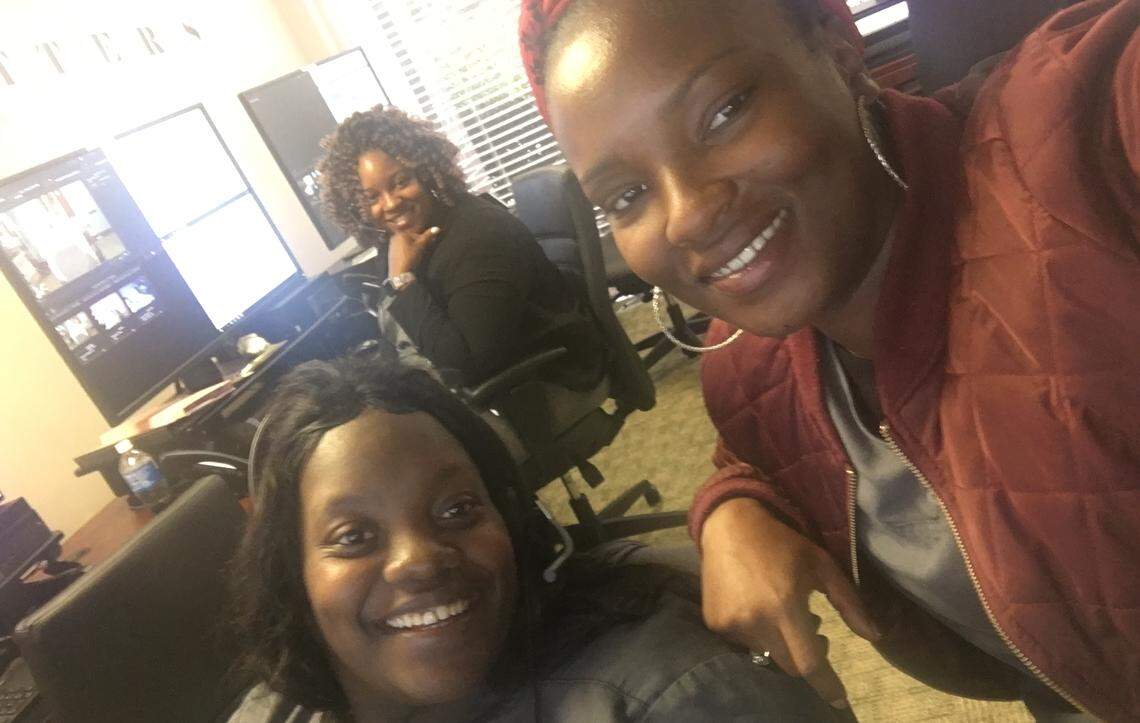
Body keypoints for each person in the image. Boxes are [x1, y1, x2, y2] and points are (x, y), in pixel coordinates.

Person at [518, 0, 1139, 720]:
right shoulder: (746, 372)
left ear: (837, 50)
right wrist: (731, 508)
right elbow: (755, 449)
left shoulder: (1078, 135)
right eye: (627, 195)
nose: (687, 213)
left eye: (725, 111)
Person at [226, 357, 849, 722]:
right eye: (355, 536)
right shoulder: (274, 708)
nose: (418, 560)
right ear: (292, 575)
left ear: (513, 523)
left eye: (457, 509)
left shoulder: (672, 697)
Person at [318, 106, 602, 391]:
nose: (391, 203)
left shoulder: (477, 238)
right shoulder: (399, 241)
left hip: (542, 384)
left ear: (426, 172)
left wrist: (402, 281)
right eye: (372, 197)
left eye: (401, 182)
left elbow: (467, 368)